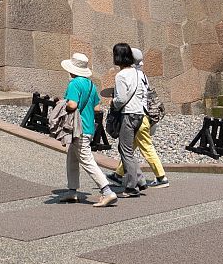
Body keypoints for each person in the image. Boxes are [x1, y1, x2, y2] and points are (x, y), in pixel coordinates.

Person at [49, 53, 117, 207]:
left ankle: (107, 191)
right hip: (88, 127)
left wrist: (63, 104)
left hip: (77, 128)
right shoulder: (92, 85)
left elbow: (72, 105)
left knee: (86, 159)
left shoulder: (74, 84)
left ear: (72, 69)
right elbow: (97, 108)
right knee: (72, 158)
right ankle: (72, 191)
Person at [107, 44, 149, 197]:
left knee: (125, 151)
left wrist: (113, 103)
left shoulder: (121, 75)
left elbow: (121, 98)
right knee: (126, 149)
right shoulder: (139, 73)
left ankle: (132, 187)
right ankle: (140, 179)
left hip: (128, 114)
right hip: (139, 114)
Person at [124, 47, 169, 190]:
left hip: (138, 115)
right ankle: (118, 174)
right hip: (143, 114)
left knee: (146, 147)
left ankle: (161, 177)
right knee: (129, 147)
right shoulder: (142, 75)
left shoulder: (132, 75)